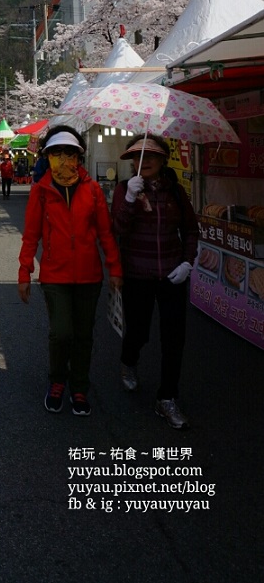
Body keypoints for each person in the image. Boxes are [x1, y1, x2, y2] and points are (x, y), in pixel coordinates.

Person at [18, 126, 122, 417]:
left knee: (84, 335)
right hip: (54, 276)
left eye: (70, 154)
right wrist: (24, 272)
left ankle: (79, 386)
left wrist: (115, 268)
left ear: (79, 157)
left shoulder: (92, 190)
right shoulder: (41, 191)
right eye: (56, 154)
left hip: (90, 276)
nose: (64, 160)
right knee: (62, 333)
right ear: (47, 157)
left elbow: (105, 234)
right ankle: (57, 382)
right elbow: (30, 236)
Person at [111, 134, 198, 430]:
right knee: (138, 332)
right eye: (138, 157)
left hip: (173, 275)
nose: (143, 162)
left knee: (175, 339)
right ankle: (128, 359)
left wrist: (188, 261)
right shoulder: (124, 189)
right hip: (138, 274)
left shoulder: (176, 191)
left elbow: (190, 230)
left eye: (150, 156)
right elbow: (118, 228)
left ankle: (167, 398)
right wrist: (132, 199)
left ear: (163, 161)